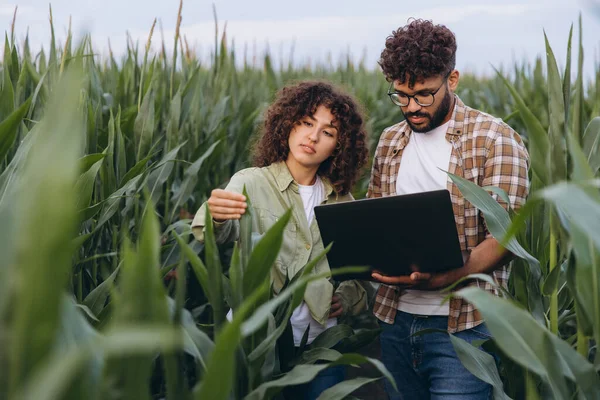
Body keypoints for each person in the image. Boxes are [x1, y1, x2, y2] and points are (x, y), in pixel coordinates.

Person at [368, 19, 530, 399]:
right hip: (395, 320)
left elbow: (507, 236)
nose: (411, 107)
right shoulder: (390, 140)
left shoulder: (495, 138)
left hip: (463, 329)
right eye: (401, 95)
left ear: (452, 79)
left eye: (423, 94)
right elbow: (376, 219)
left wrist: (449, 276)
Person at [191, 81, 369, 399]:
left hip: (322, 348)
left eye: (328, 132)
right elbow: (214, 232)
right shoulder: (250, 183)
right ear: (287, 123)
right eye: (306, 123)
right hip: (257, 349)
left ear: (339, 146)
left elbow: (357, 273)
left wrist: (348, 297)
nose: (313, 137)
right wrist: (216, 214)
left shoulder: (343, 200)